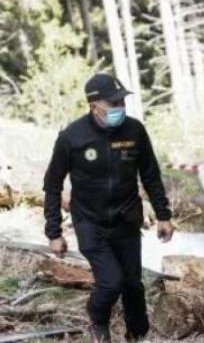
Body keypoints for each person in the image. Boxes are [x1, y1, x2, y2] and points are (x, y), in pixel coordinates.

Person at [43, 73, 174, 343]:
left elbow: (150, 175)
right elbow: (52, 184)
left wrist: (163, 215)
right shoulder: (72, 137)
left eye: (122, 102)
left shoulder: (135, 131)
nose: (120, 108)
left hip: (126, 219)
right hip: (90, 222)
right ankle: (98, 319)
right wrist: (54, 232)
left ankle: (137, 334)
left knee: (133, 285)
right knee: (111, 282)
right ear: (94, 106)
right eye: (113, 103)